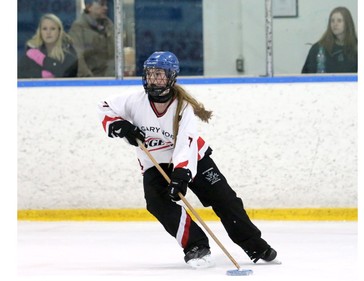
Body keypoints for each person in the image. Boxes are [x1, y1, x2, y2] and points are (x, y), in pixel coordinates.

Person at [97, 51, 277, 268]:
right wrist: (120, 126)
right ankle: (195, 245)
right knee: (157, 202)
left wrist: (181, 173)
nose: (154, 79)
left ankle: (254, 245)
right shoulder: (134, 101)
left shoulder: (182, 107)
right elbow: (104, 107)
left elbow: (186, 144)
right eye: (151, 74)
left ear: (171, 77)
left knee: (225, 199)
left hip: (193, 158)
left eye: (160, 74)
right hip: (155, 161)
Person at [18, 13, 78, 78]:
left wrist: (42, 59)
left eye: (52, 29)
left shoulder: (69, 52)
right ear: (40, 32)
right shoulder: (31, 54)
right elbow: (21, 75)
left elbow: (68, 74)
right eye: (44, 29)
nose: (48, 32)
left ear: (59, 31)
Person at [302, 6, 357, 73]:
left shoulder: (356, 48)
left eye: (339, 21)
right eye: (332, 21)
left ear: (348, 24)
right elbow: (306, 75)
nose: (335, 24)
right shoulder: (318, 48)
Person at [68, 0, 116, 77]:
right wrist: (88, 78)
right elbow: (78, 57)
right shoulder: (78, 28)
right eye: (101, 4)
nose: (105, 8)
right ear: (88, 6)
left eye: (106, 4)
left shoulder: (109, 25)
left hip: (110, 77)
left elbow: (115, 53)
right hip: (90, 80)